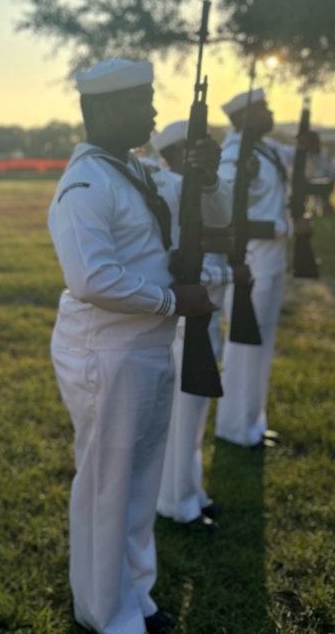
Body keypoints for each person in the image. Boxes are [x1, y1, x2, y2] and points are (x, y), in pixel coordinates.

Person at [48, 60, 227, 634]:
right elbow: (92, 280)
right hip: (107, 351)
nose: (154, 111)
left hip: (145, 345)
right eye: (141, 101)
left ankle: (134, 595)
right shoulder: (85, 185)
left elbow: (218, 218)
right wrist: (176, 302)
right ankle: (105, 612)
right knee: (107, 485)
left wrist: (210, 176)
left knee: (140, 480)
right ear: (102, 111)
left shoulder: (139, 173)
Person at [213, 89, 314, 449]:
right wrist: (286, 228)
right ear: (243, 117)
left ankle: (253, 423)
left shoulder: (265, 149)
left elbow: (301, 159)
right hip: (251, 262)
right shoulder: (235, 155)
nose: (271, 113)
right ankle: (234, 428)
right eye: (264, 109)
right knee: (244, 346)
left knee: (263, 344)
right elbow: (227, 215)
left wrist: (307, 146)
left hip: (271, 262)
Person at [148, 121, 234, 532]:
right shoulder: (167, 188)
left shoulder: (200, 189)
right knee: (184, 410)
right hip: (186, 310)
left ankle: (189, 490)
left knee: (195, 408)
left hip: (204, 305)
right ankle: (176, 501)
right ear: (178, 154)